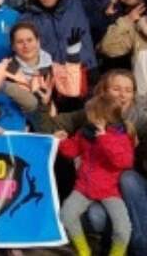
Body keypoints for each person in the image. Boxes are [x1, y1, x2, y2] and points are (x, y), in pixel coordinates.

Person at [20, 0, 113, 102]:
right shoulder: (26, 19)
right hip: (51, 81)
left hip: (86, 75)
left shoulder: (77, 4)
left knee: (91, 123)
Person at [58, 96, 134, 256]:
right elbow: (71, 151)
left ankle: (117, 253)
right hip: (84, 187)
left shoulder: (120, 136)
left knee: (123, 228)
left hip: (110, 190)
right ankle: (83, 250)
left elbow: (124, 162)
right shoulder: (85, 132)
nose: (88, 117)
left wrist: (105, 139)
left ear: (104, 117)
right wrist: (63, 141)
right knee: (66, 215)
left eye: (92, 114)